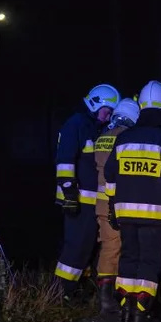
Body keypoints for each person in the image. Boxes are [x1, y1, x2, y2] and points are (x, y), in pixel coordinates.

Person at [103, 80, 161, 322]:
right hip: (155, 216)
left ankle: (127, 309)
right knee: (150, 262)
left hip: (125, 214)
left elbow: (110, 176)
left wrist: (112, 207)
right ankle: (142, 312)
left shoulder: (124, 138)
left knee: (128, 259)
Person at [53, 83, 118, 300]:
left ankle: (76, 290)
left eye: (110, 113)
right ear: (95, 104)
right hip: (77, 200)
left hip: (90, 202)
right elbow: (64, 162)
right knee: (77, 246)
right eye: (106, 111)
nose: (108, 117)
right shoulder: (76, 125)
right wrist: (70, 193)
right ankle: (61, 292)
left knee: (87, 246)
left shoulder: (93, 128)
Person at [92, 97, 140, 314]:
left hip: (102, 204)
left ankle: (106, 298)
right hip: (120, 202)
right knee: (118, 250)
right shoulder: (125, 138)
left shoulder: (103, 137)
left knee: (109, 248)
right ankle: (108, 301)